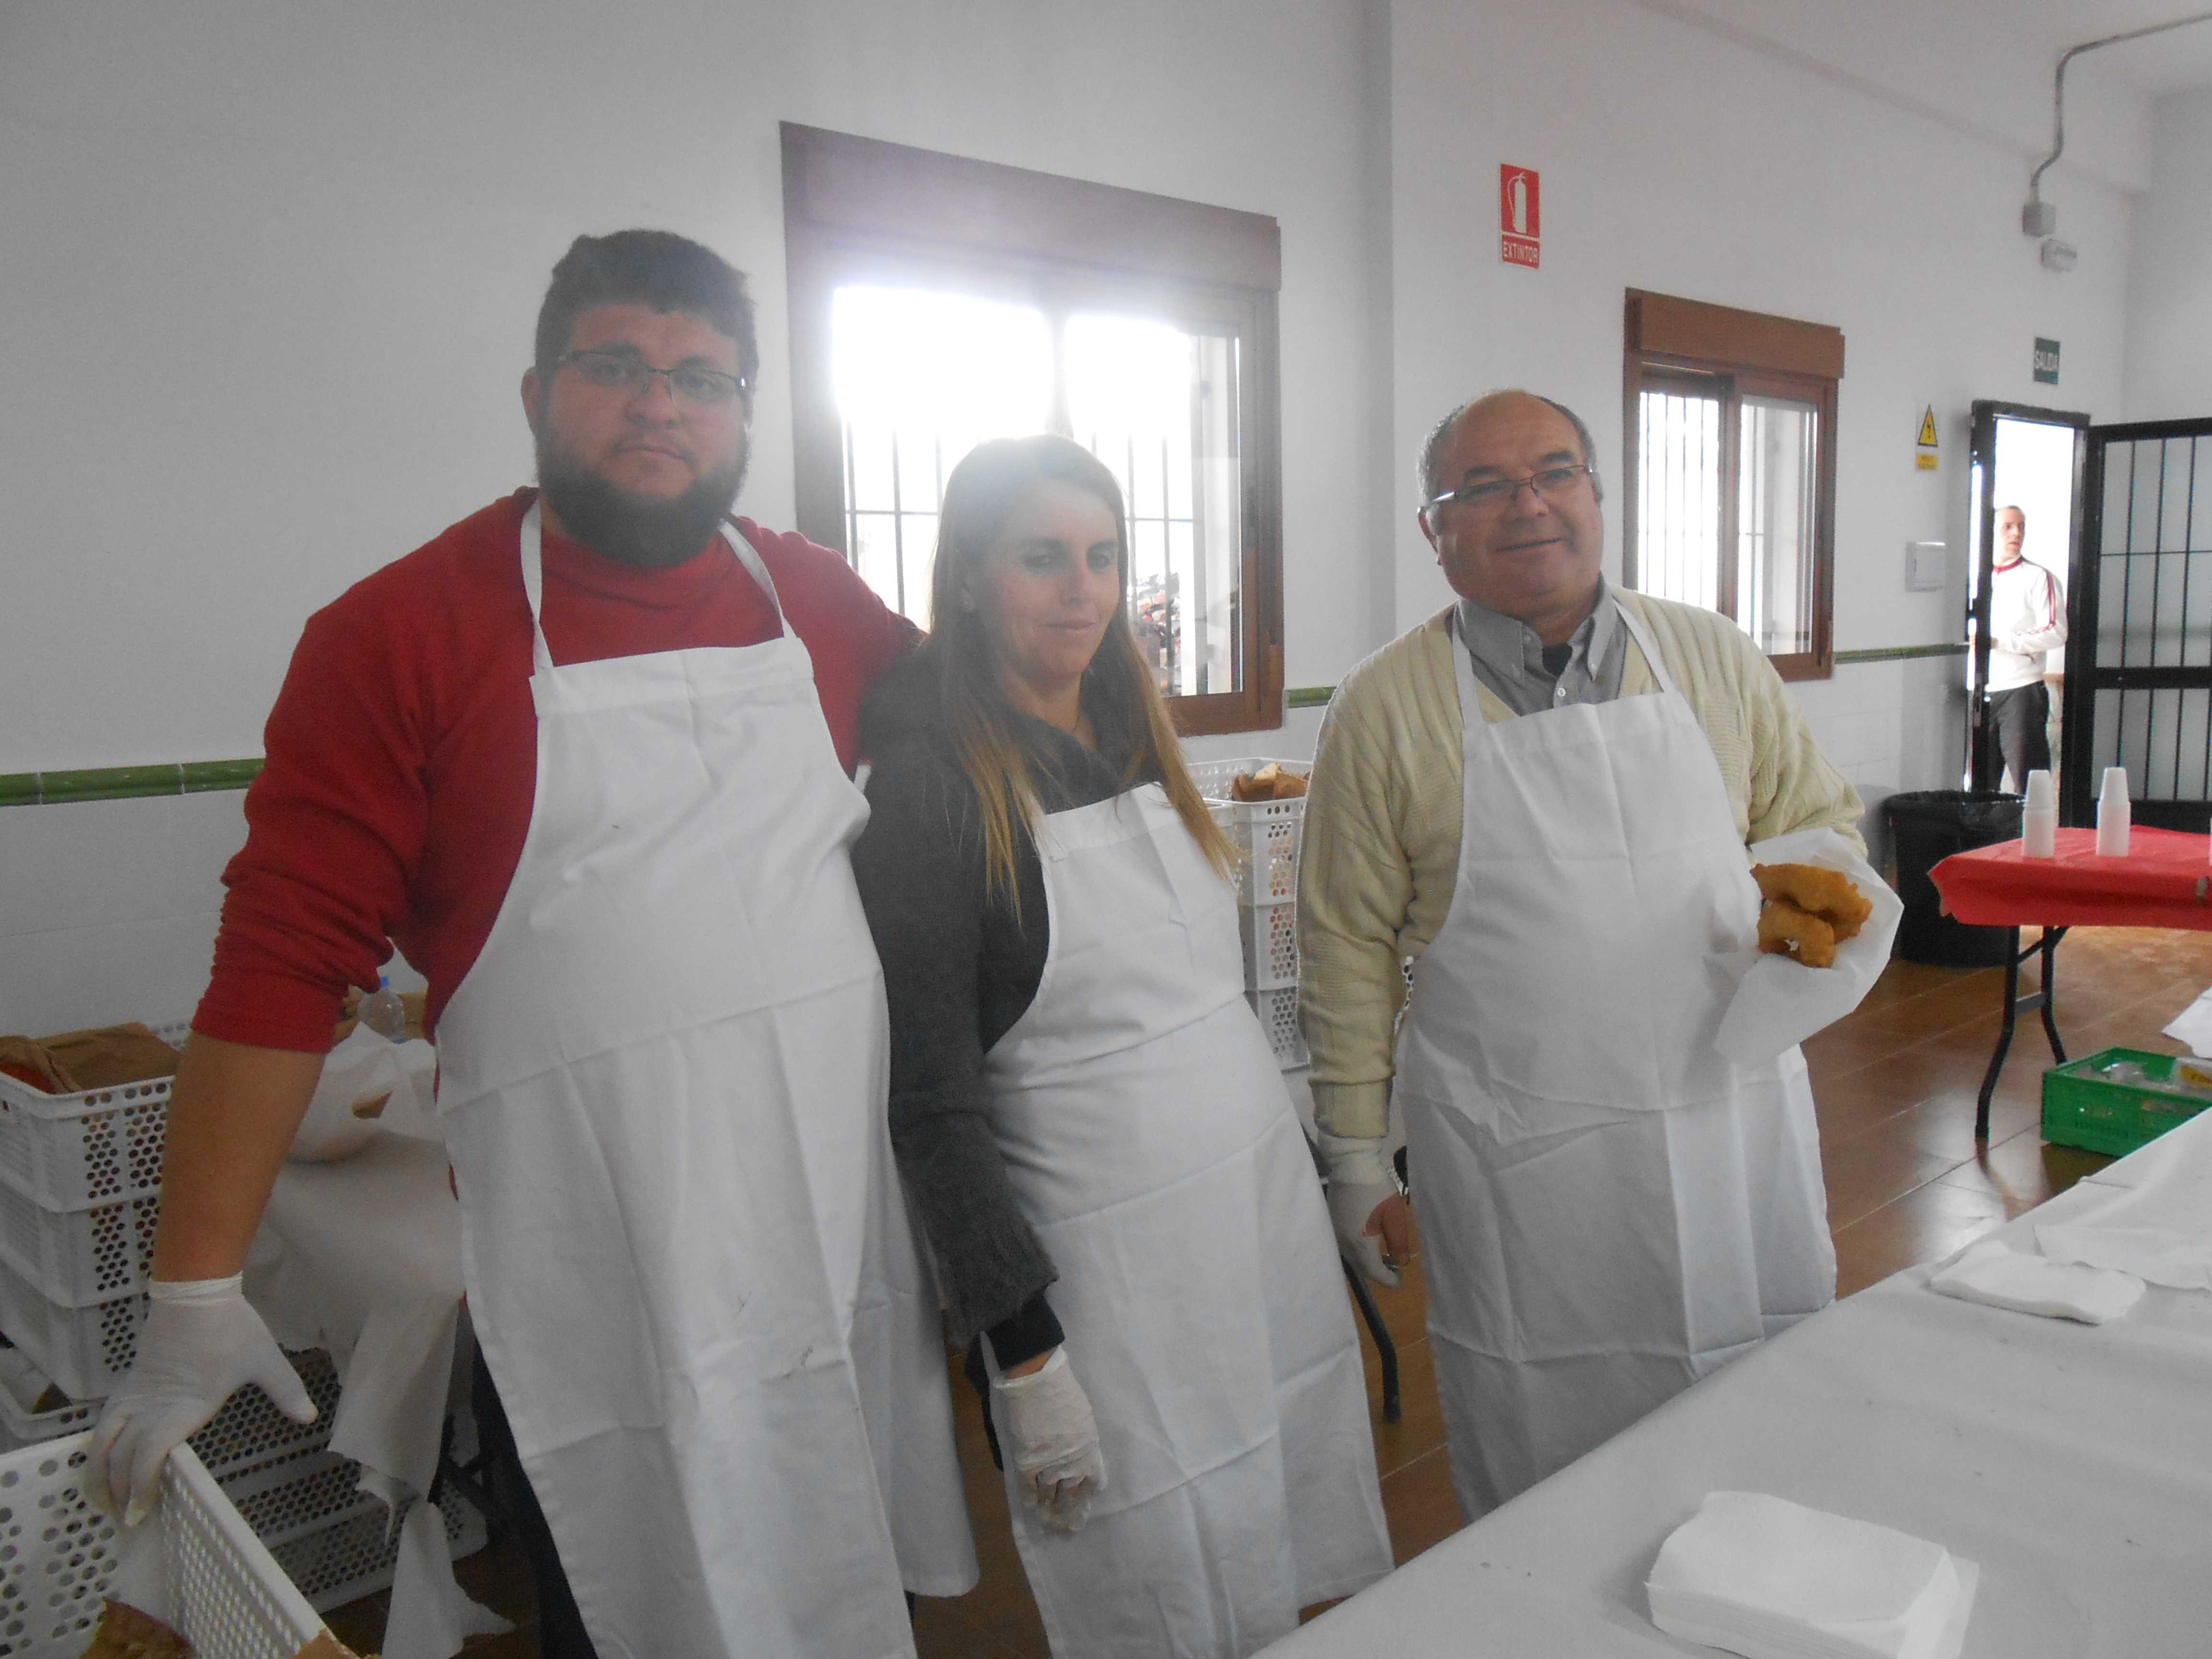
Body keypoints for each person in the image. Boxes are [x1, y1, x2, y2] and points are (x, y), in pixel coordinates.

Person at [88, 230, 976, 1659]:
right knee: (638, 1590)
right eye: (614, 365)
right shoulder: (397, 636)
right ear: (535, 390)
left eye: (701, 377)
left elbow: (979, 777)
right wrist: (191, 1294)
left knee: (823, 1540)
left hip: (823, 1232)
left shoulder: (818, 603)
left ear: (746, 411)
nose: (658, 404)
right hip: (593, 1257)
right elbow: (274, 974)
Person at [851, 435, 1392, 1658]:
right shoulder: (933, 793)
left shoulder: (1139, 741)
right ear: (973, 576)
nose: (1080, 589)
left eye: (1101, 557)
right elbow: (930, 1102)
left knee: (1272, 1521)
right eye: (1042, 558)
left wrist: (1332, 1166)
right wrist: (1023, 1348)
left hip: (1249, 1228)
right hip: (1108, 1273)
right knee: (1160, 1571)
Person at [1300, 389, 1884, 1520]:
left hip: (1724, 1125)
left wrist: (1815, 910)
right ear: (1434, 528)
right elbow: (1346, 941)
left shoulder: (1711, 658)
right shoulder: (1382, 709)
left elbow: (1819, 825)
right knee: (1546, 1441)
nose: (1528, 505)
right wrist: (1357, 1155)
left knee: (1752, 1412)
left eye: (1555, 472)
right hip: (1523, 1153)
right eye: (1483, 486)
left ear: (1598, 499)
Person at [1986, 505, 2066, 790]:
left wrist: (2003, 642)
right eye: (2008, 526)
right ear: (1990, 530)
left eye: (2021, 526)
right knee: (1979, 783)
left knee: (2030, 781)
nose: (2016, 533)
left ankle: (2037, 835)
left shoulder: (2038, 577)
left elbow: (2057, 631)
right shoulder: (1975, 579)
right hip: (1978, 691)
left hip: (2021, 689)